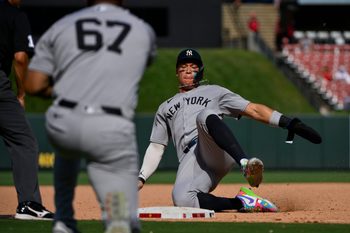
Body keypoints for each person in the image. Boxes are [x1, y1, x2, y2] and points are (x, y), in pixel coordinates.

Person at [24, 0, 156, 232]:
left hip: (64, 120)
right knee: (112, 173)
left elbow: (33, 85)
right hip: (111, 124)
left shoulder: (62, 25)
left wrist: (64, 88)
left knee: (68, 152)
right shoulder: (142, 29)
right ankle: (117, 217)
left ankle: (64, 219)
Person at [138, 48, 322, 213]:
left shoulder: (214, 92)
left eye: (193, 66)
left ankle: (245, 164)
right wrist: (142, 177)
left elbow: (253, 109)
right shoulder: (164, 107)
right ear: (177, 72)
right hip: (191, 161)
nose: (188, 70)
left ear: (200, 72)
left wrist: (288, 123)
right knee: (182, 199)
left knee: (204, 115)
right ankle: (243, 202)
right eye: (183, 66)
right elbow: (156, 147)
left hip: (215, 148)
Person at [0, 0, 53, 220]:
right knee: (24, 141)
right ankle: (29, 204)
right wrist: (21, 93)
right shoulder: (15, 14)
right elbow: (20, 58)